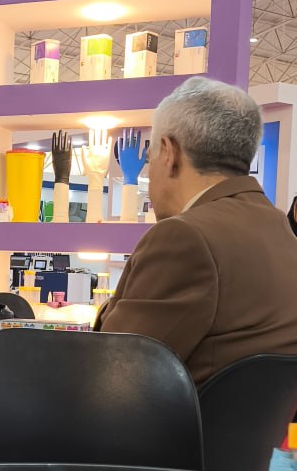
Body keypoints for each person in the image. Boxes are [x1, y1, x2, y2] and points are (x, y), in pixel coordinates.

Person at [96, 77, 297, 382]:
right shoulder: (280, 229)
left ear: (169, 153)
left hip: (174, 414)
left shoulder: (185, 237)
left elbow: (110, 368)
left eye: (149, 159)